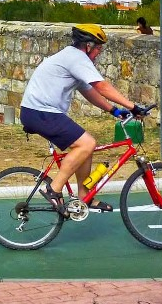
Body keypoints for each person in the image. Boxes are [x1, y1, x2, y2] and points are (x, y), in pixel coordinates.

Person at [19, 24, 145, 216]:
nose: (99, 53)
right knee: (87, 143)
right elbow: (102, 87)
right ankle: (53, 189)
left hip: (41, 111)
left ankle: (84, 197)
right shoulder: (77, 58)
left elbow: (90, 92)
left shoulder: (73, 58)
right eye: (98, 48)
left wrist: (114, 110)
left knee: (86, 145)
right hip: (40, 111)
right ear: (88, 45)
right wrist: (132, 106)